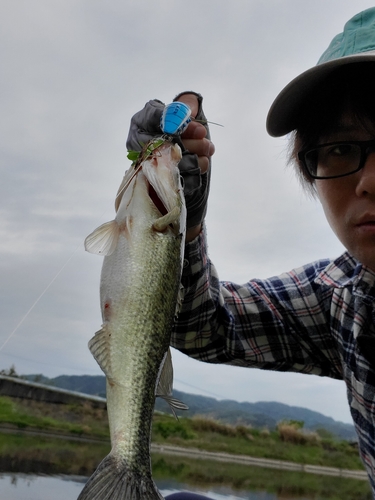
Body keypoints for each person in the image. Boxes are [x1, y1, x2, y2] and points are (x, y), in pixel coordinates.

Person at [127, 7, 375, 497]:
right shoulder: (345, 297)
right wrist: (186, 226)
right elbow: (205, 326)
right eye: (342, 149)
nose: (370, 182)